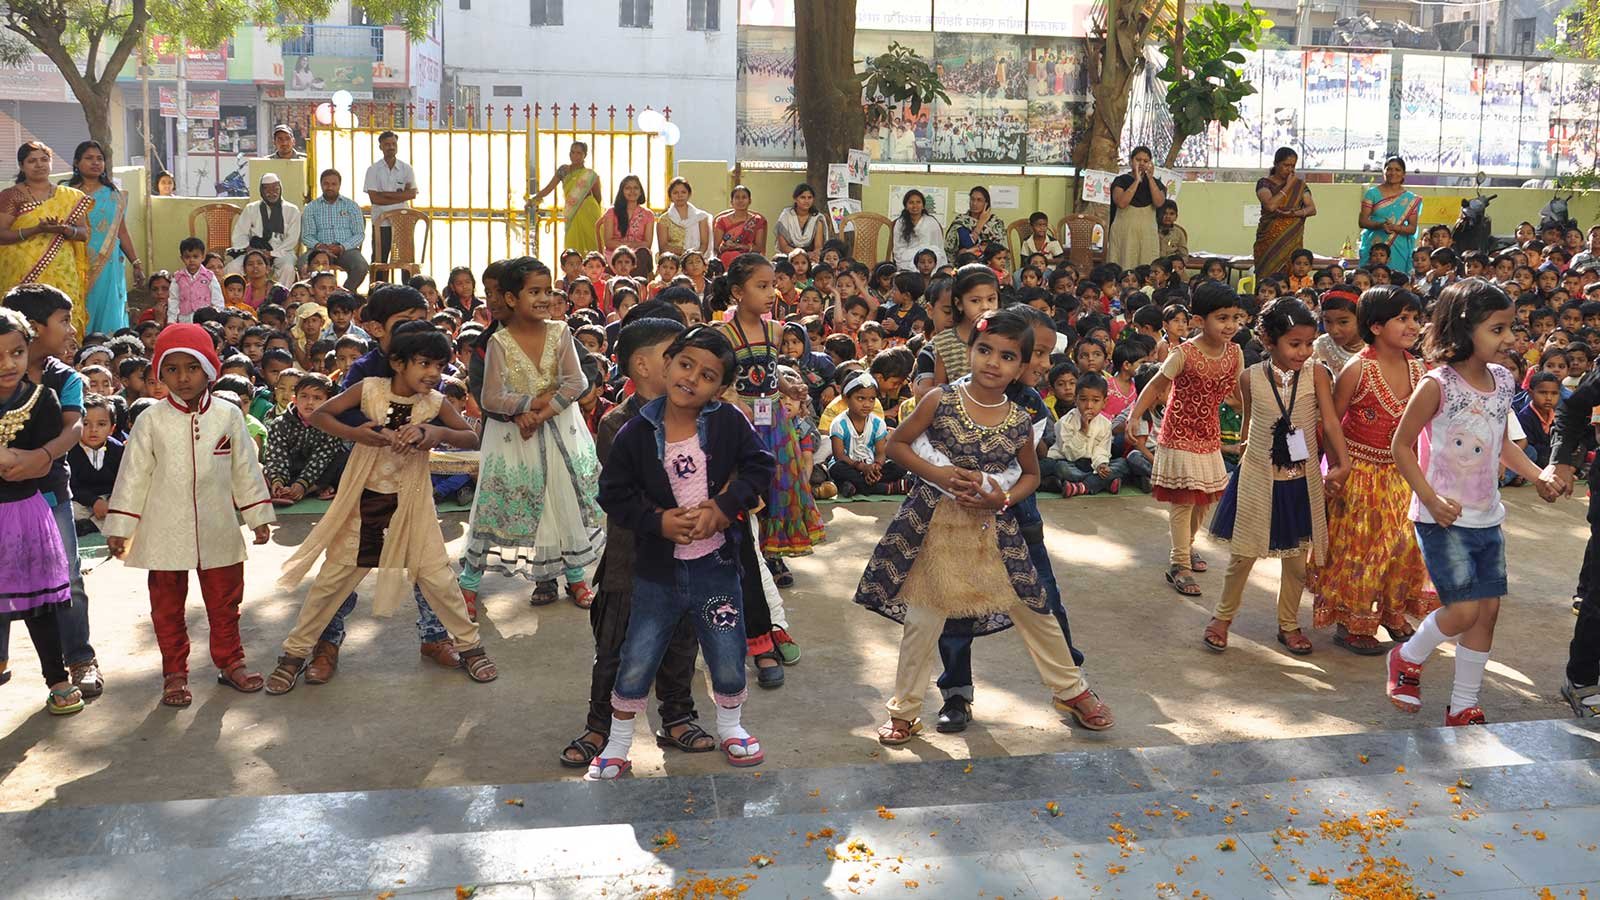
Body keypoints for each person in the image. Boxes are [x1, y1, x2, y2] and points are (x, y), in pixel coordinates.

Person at [856, 308, 1114, 745]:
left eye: (1007, 356)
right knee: (923, 619)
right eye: (985, 350)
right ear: (970, 350)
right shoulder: (940, 399)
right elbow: (897, 445)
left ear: (1022, 365)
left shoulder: (1019, 419)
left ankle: (1072, 691)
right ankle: (905, 710)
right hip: (933, 526)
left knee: (1034, 607)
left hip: (993, 530)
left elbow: (1030, 475)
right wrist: (939, 474)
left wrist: (1003, 499)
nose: (993, 363)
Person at [589, 325, 777, 779]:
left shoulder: (729, 423)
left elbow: (761, 466)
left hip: (716, 568)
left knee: (726, 649)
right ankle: (618, 742)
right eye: (685, 364)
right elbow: (612, 494)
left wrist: (725, 507)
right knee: (638, 655)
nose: (691, 378)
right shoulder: (635, 432)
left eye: (707, 375)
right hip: (656, 572)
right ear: (667, 363)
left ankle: (731, 726)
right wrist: (658, 522)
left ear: (720, 389)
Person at [268, 323, 498, 692]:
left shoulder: (435, 402)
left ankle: (470, 647)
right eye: (424, 363)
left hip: (412, 504)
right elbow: (322, 415)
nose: (433, 373)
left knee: (439, 580)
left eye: (440, 366)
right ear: (397, 362)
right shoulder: (370, 389)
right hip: (363, 502)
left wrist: (435, 433)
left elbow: (471, 437)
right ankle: (294, 654)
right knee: (331, 582)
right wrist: (358, 433)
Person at [1386, 279, 1561, 726]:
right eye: (1497, 329)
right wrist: (1429, 498)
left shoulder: (1503, 381)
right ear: (1464, 329)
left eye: (1510, 328)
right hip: (1442, 519)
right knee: (1463, 610)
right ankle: (1407, 657)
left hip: (1487, 517)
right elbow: (1401, 446)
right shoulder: (1437, 384)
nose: (1509, 339)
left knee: (1487, 612)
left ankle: (1463, 704)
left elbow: (1502, 443)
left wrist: (1538, 474)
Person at [560, 314, 718, 768]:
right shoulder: (618, 423)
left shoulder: (704, 416)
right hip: (632, 559)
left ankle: (678, 717)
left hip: (688, 555)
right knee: (616, 649)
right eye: (677, 358)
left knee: (681, 645)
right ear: (643, 366)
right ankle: (600, 726)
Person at [103, 323, 276, 707]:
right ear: (160, 373)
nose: (182, 378)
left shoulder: (228, 415)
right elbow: (133, 476)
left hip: (218, 526)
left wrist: (257, 515)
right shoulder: (151, 419)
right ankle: (175, 674)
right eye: (172, 369)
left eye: (192, 367)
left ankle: (231, 662)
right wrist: (121, 527)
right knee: (166, 607)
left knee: (226, 601)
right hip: (163, 528)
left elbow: (245, 469)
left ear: (209, 369)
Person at [1203, 298, 1349, 655]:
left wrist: (1342, 462)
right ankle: (1222, 618)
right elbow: (1250, 422)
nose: (1304, 351)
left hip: (1300, 479)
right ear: (1269, 341)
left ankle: (1288, 624)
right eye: (1294, 344)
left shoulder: (1317, 373)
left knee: (1297, 560)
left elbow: (1330, 421)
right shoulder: (1250, 377)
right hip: (1257, 477)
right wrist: (1242, 448)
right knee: (1243, 556)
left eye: (1309, 343)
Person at [459, 257, 603, 608]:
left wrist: (542, 412)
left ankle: (575, 578)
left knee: (561, 500)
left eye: (546, 291)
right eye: (533, 292)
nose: (543, 298)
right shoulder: (492, 343)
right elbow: (488, 395)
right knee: (497, 505)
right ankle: (468, 585)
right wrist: (525, 408)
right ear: (514, 297)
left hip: (559, 433)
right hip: (511, 439)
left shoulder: (560, 332)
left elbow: (579, 378)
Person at [1312, 287, 1435, 655]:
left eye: (1415, 318)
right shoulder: (1358, 368)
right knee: (1360, 548)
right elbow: (1330, 422)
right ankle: (1353, 622)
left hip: (1400, 473)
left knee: (1402, 544)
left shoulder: (1419, 369)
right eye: (1402, 319)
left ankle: (1391, 612)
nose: (1412, 326)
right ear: (1376, 326)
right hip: (1360, 473)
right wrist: (1338, 465)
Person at [1125, 281, 1245, 598]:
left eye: (1235, 317)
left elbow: (1237, 395)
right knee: (1184, 500)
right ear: (1199, 321)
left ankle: (1187, 546)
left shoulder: (1235, 353)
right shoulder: (1183, 353)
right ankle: (1179, 564)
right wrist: (1135, 416)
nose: (1230, 325)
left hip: (1209, 435)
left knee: (1204, 499)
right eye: (1222, 318)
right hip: (1178, 433)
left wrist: (1252, 422)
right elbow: (1155, 385)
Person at [715, 253, 825, 581]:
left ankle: (772, 554)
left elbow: (771, 369)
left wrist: (790, 386)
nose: (770, 293)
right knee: (746, 485)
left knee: (780, 483)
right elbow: (722, 380)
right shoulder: (724, 334)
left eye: (772, 285)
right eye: (761, 286)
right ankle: (743, 553)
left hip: (775, 421)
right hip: (741, 423)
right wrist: (737, 403)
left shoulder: (775, 330)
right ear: (738, 292)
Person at [0, 306, 80, 715]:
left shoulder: (42, 398)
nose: (8, 364)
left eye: (16, 352)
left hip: (24, 512)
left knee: (39, 604)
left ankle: (57, 678)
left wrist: (19, 458)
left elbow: (42, 463)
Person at [0, 142, 91, 335]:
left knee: (64, 314)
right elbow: (1, 234)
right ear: (22, 165)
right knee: (23, 321)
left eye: (44, 159)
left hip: (62, 270)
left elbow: (83, 233)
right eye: (32, 161)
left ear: (51, 162)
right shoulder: (11, 196)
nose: (39, 165)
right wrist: (36, 229)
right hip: (21, 271)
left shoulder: (71, 196)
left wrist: (64, 229)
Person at [67, 141, 140, 335]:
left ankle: (107, 347)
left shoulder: (113, 195)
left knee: (107, 308)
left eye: (99, 159)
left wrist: (136, 262)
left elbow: (121, 232)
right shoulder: (65, 192)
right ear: (76, 162)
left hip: (107, 264)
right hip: (73, 261)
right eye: (89, 158)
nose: (95, 163)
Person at [263, 372, 346, 504]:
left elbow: (320, 459)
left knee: (341, 457)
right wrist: (277, 480)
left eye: (317, 398)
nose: (310, 402)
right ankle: (281, 490)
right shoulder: (279, 424)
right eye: (304, 396)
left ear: (328, 402)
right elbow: (276, 456)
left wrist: (303, 484)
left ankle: (312, 489)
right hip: (289, 472)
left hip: (317, 474)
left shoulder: (330, 426)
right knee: (264, 470)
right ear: (294, 399)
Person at [826, 372, 905, 496]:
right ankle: (883, 488)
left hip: (871, 465)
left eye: (872, 399)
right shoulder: (839, 424)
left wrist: (876, 466)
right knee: (836, 468)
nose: (867, 404)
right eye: (860, 398)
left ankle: (855, 486)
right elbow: (839, 456)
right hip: (850, 467)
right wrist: (862, 467)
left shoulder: (878, 423)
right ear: (846, 399)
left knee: (899, 466)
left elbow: (881, 453)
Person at [226, 172, 301, 286]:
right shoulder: (251, 208)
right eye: (268, 190)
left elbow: (292, 239)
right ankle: (240, 296)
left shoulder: (292, 210)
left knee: (287, 267)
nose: (272, 193)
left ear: (280, 189)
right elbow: (240, 233)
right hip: (254, 250)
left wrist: (272, 253)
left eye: (276, 189)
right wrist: (250, 249)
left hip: (282, 251)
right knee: (233, 267)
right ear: (262, 191)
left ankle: (280, 295)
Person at [300, 168, 369, 290]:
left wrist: (341, 247)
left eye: (333, 184)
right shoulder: (311, 207)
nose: (330, 187)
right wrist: (319, 246)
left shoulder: (351, 206)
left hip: (346, 250)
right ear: (321, 184)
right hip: (319, 250)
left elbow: (359, 234)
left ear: (339, 185)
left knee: (361, 267)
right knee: (302, 263)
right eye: (326, 184)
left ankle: (344, 294)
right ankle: (316, 294)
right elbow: (307, 236)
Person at [533, 141, 604, 257]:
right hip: (572, 212)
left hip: (589, 211)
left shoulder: (590, 175)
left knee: (592, 245)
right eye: (572, 152)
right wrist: (533, 199)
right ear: (569, 154)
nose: (575, 156)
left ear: (585, 155)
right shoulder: (563, 171)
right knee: (572, 247)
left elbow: (598, 197)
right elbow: (549, 188)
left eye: (579, 153)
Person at [1254, 147, 1316, 279]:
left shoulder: (1299, 185)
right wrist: (1288, 186)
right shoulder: (1264, 183)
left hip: (1291, 240)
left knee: (1292, 276)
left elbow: (1311, 209)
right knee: (1267, 278)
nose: (1290, 170)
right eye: (1286, 165)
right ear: (1276, 164)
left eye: (1293, 166)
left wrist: (1293, 213)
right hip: (1268, 242)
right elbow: (1270, 206)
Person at [363, 131, 419, 270]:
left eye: (394, 144)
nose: (391, 147)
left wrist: (385, 195)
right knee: (380, 261)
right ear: (380, 147)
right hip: (381, 223)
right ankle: (379, 284)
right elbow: (375, 199)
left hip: (403, 222)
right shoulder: (373, 170)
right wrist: (401, 195)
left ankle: (408, 284)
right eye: (387, 144)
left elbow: (412, 194)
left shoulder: (406, 169)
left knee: (406, 261)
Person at [68, 393, 122, 535]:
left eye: (101, 424)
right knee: (70, 509)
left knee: (123, 508)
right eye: (86, 424)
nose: (93, 430)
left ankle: (90, 525)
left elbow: (124, 481)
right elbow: (71, 485)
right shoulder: (70, 451)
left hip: (109, 499)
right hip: (83, 501)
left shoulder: (118, 450)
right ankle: (95, 523)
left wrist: (109, 501)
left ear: (112, 428)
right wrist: (94, 501)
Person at [1358, 156, 1421, 276]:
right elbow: (1363, 221)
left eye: (1397, 170)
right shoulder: (1372, 193)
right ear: (1384, 172)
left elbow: (1412, 228)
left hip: (1398, 246)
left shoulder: (1410, 199)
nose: (1393, 173)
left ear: (1404, 174)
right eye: (1389, 169)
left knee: (1396, 280)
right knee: (1371, 278)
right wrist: (1381, 225)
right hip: (1375, 246)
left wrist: (1394, 228)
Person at [1109, 146, 1165, 269]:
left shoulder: (1156, 183)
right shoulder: (1121, 181)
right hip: (1124, 233)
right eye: (1138, 160)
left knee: (1147, 266)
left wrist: (1150, 179)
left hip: (1147, 234)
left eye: (1146, 161)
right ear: (1131, 161)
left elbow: (1159, 202)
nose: (1142, 163)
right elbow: (1121, 203)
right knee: (1124, 264)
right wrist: (1136, 181)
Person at [170, 237, 224, 324]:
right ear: (182, 258)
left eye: (195, 256)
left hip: (205, 320)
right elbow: (174, 300)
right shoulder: (178, 277)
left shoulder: (209, 276)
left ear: (203, 257)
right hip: (184, 319)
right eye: (187, 257)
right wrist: (171, 320)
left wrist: (217, 318)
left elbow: (217, 299)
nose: (191, 260)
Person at [890, 190, 946, 272]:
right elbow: (898, 248)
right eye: (911, 203)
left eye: (918, 202)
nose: (915, 206)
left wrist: (926, 258)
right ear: (906, 206)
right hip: (907, 260)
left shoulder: (932, 222)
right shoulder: (900, 223)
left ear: (923, 206)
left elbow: (938, 246)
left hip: (929, 258)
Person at [713, 185, 767, 268]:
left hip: (749, 258)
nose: (740, 200)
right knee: (730, 256)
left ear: (750, 201)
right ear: (731, 202)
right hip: (727, 255)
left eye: (744, 197)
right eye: (737, 197)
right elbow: (716, 247)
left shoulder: (757, 220)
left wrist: (740, 246)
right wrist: (727, 247)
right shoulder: (722, 220)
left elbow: (759, 248)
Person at [598, 175, 654, 255]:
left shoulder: (648, 214)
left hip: (638, 255)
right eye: (628, 188)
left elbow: (647, 244)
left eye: (636, 188)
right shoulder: (611, 212)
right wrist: (627, 247)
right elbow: (608, 242)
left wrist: (630, 247)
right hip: (614, 255)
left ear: (640, 192)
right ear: (622, 192)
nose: (632, 191)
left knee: (643, 254)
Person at [945, 186, 1005, 259]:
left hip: (990, 262)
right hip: (966, 262)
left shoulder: (996, 223)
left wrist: (977, 249)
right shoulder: (962, 221)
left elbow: (1000, 249)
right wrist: (981, 223)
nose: (974, 203)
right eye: (972, 199)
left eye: (979, 200)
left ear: (986, 203)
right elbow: (968, 244)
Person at [656, 177, 711, 256]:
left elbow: (704, 245)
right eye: (675, 193)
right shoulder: (664, 219)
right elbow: (663, 247)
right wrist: (684, 252)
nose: (680, 196)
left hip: (696, 258)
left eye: (683, 192)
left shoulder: (701, 217)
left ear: (689, 194)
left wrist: (694, 257)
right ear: (670, 196)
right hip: (672, 260)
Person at [774, 183, 824, 255]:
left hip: (810, 257)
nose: (806, 201)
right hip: (788, 255)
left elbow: (818, 247)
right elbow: (783, 247)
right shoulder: (785, 216)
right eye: (803, 197)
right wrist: (801, 255)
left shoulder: (817, 219)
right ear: (795, 199)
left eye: (810, 197)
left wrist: (810, 256)